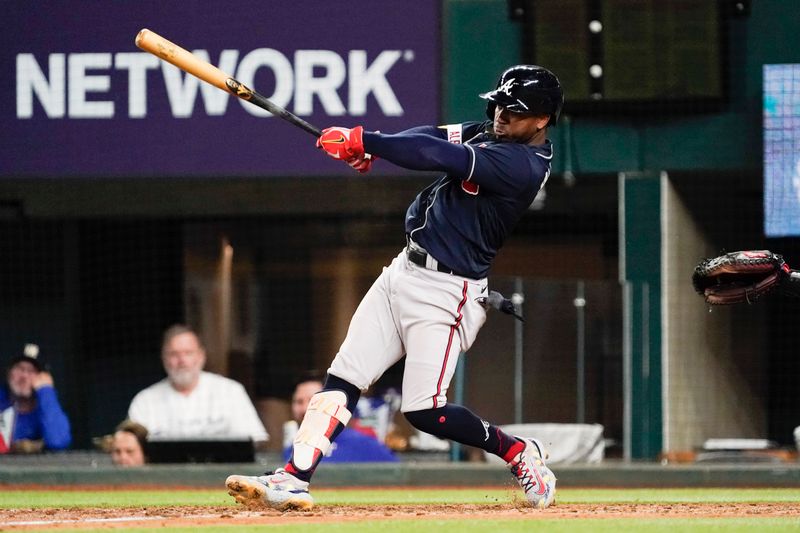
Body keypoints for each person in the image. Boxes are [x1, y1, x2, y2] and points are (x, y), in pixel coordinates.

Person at [226, 65, 562, 510]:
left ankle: (519, 451)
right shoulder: (491, 131)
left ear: (541, 121)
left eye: (514, 110)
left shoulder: (522, 164)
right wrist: (373, 148)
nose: (500, 114)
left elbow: (435, 154)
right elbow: (432, 135)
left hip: (449, 293)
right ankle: (292, 478)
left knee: (426, 412)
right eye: (498, 103)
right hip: (402, 271)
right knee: (343, 376)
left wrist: (365, 141)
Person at [128, 324, 268, 443]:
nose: (182, 360)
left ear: (201, 356)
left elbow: (256, 441)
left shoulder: (231, 392)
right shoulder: (144, 401)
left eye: (188, 353)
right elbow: (130, 449)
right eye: (174, 354)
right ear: (164, 358)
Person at [282, 373, 397, 464]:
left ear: (331, 403)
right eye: (299, 402)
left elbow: (400, 475)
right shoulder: (292, 449)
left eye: (313, 401)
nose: (305, 409)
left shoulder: (364, 444)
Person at [0, 344, 71, 453]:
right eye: (19, 368)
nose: (24, 376)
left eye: (31, 371)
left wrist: (46, 391)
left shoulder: (47, 403)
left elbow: (58, 442)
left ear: (42, 377)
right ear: (8, 372)